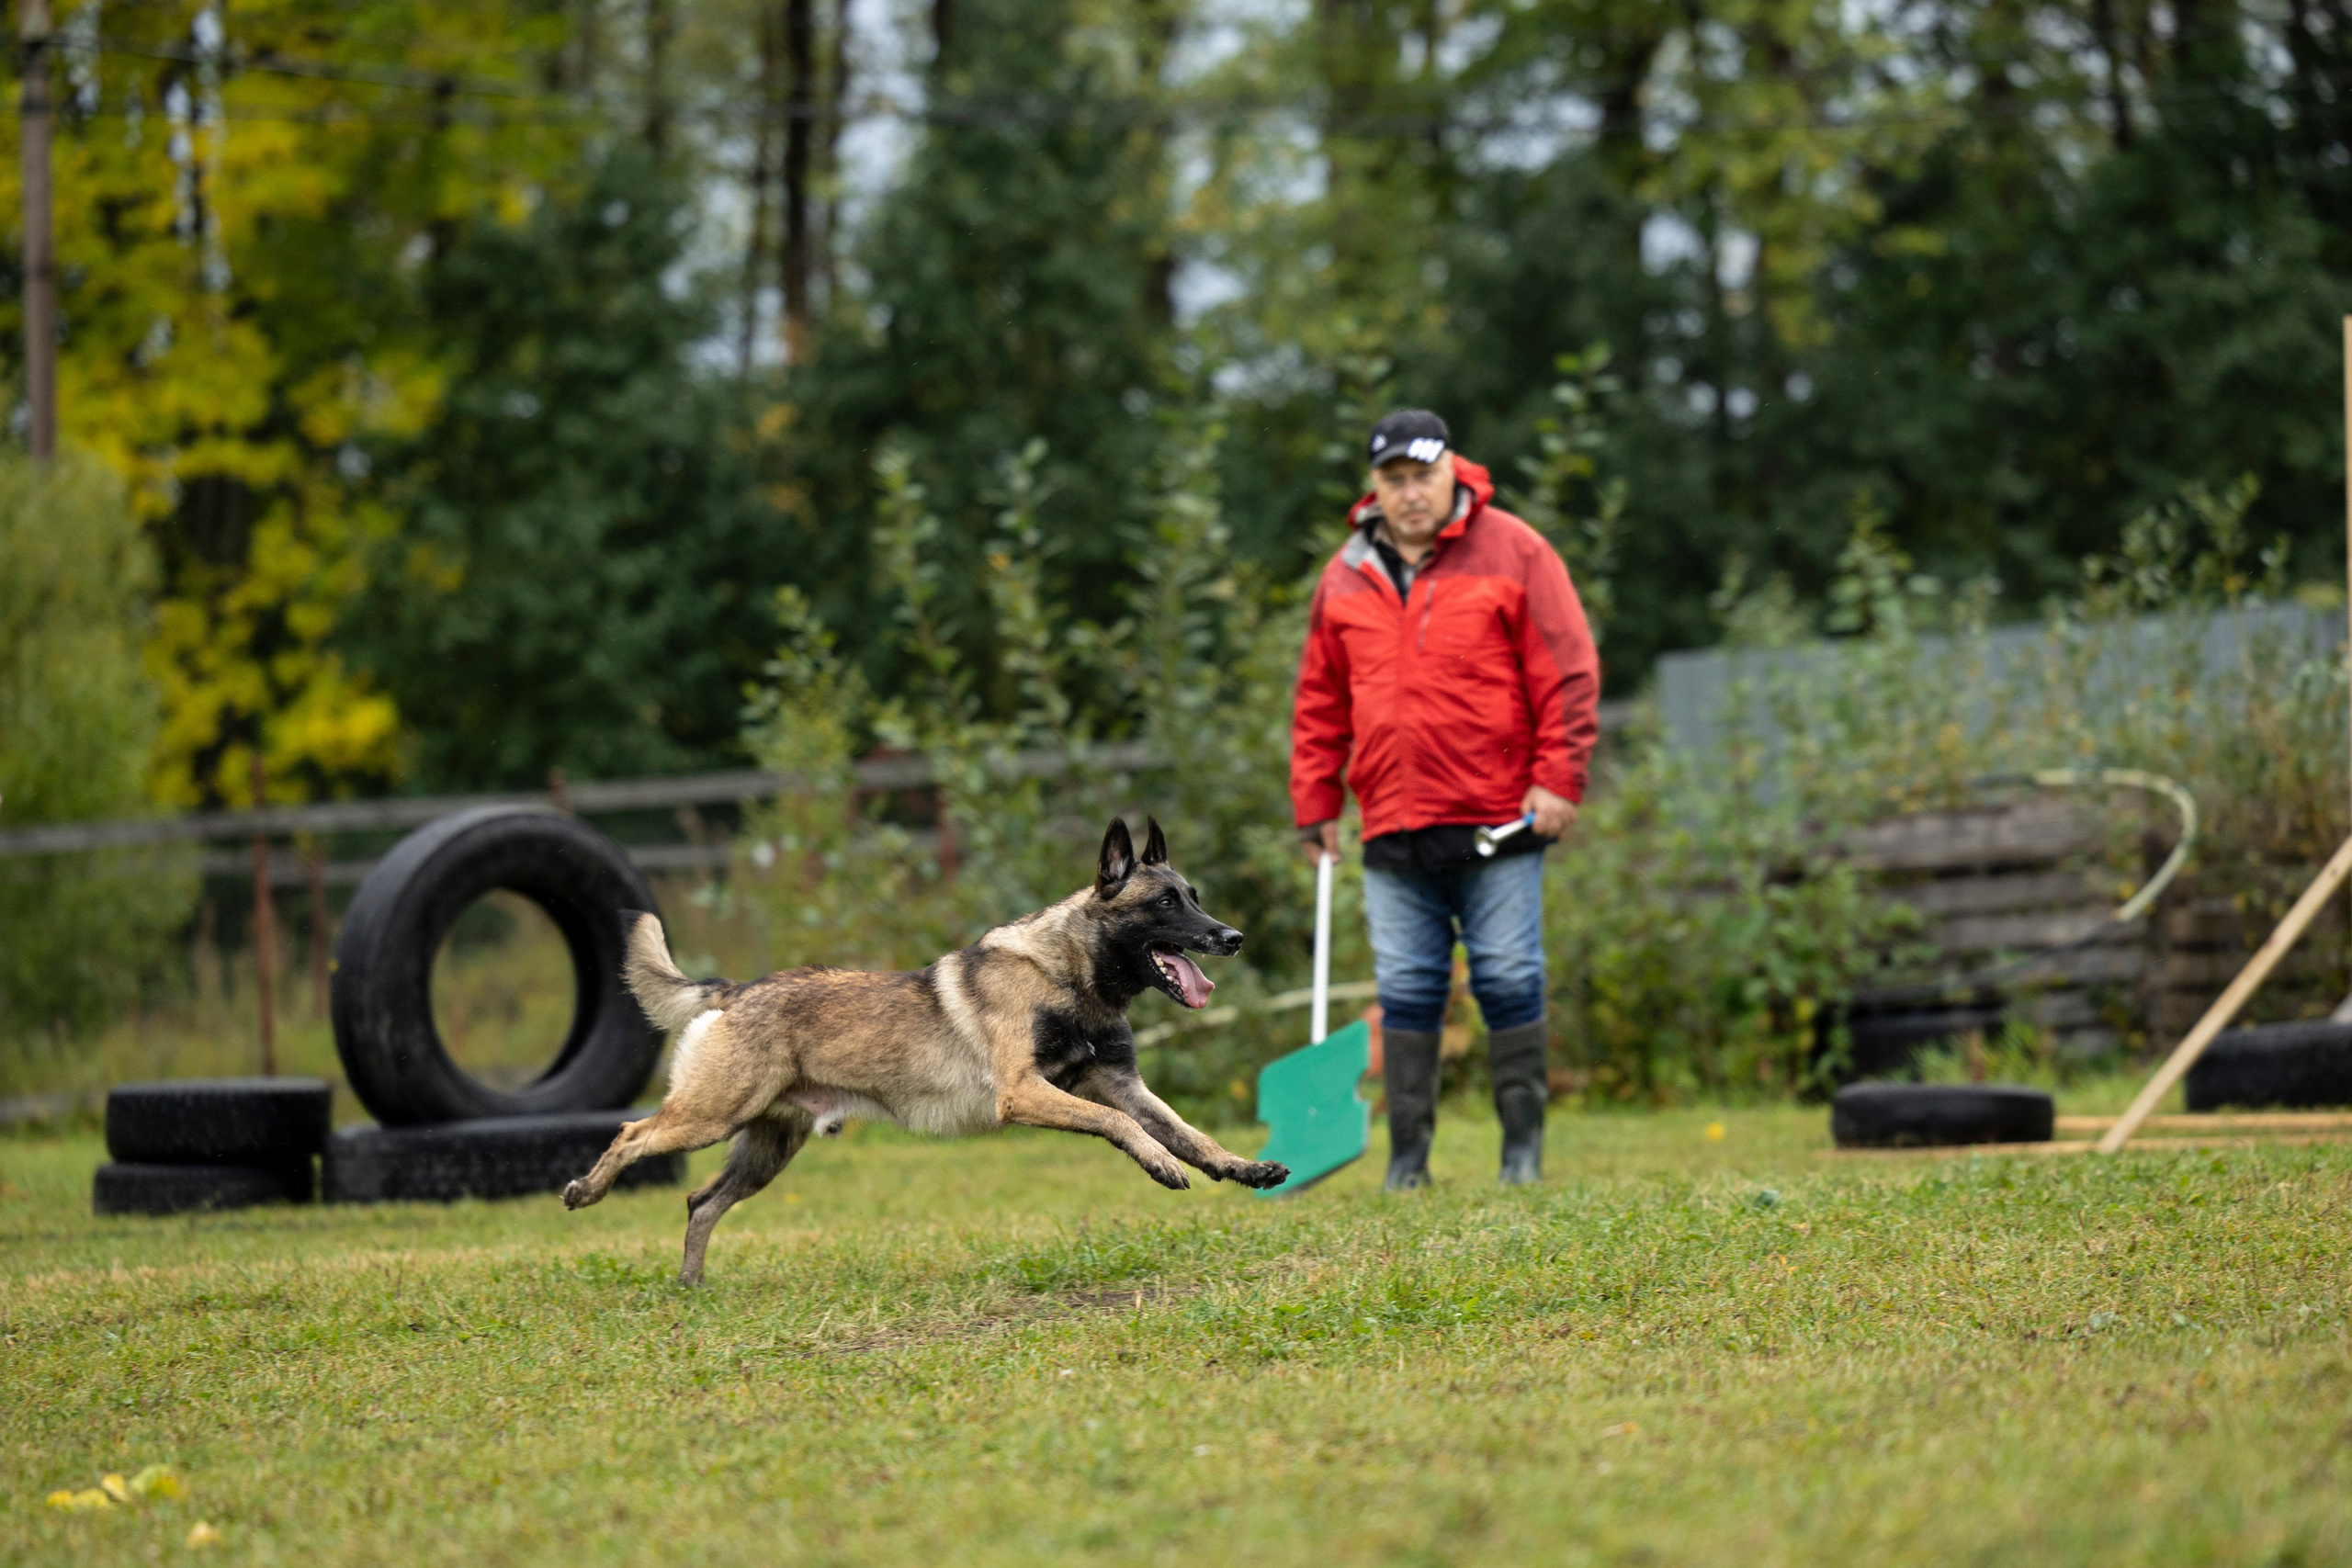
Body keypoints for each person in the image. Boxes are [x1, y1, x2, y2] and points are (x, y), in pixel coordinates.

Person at [1290, 408, 1600, 1189]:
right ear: (1375, 487)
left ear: (1453, 470)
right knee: (1408, 992)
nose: (1410, 493)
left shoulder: (1515, 550)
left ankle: (1521, 1156)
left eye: (1422, 476)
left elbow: (1566, 669)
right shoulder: (1344, 575)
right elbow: (1320, 704)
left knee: (1506, 976)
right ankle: (1408, 1164)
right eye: (1393, 479)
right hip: (1392, 825)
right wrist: (1315, 804)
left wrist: (1559, 777)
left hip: (1500, 817)